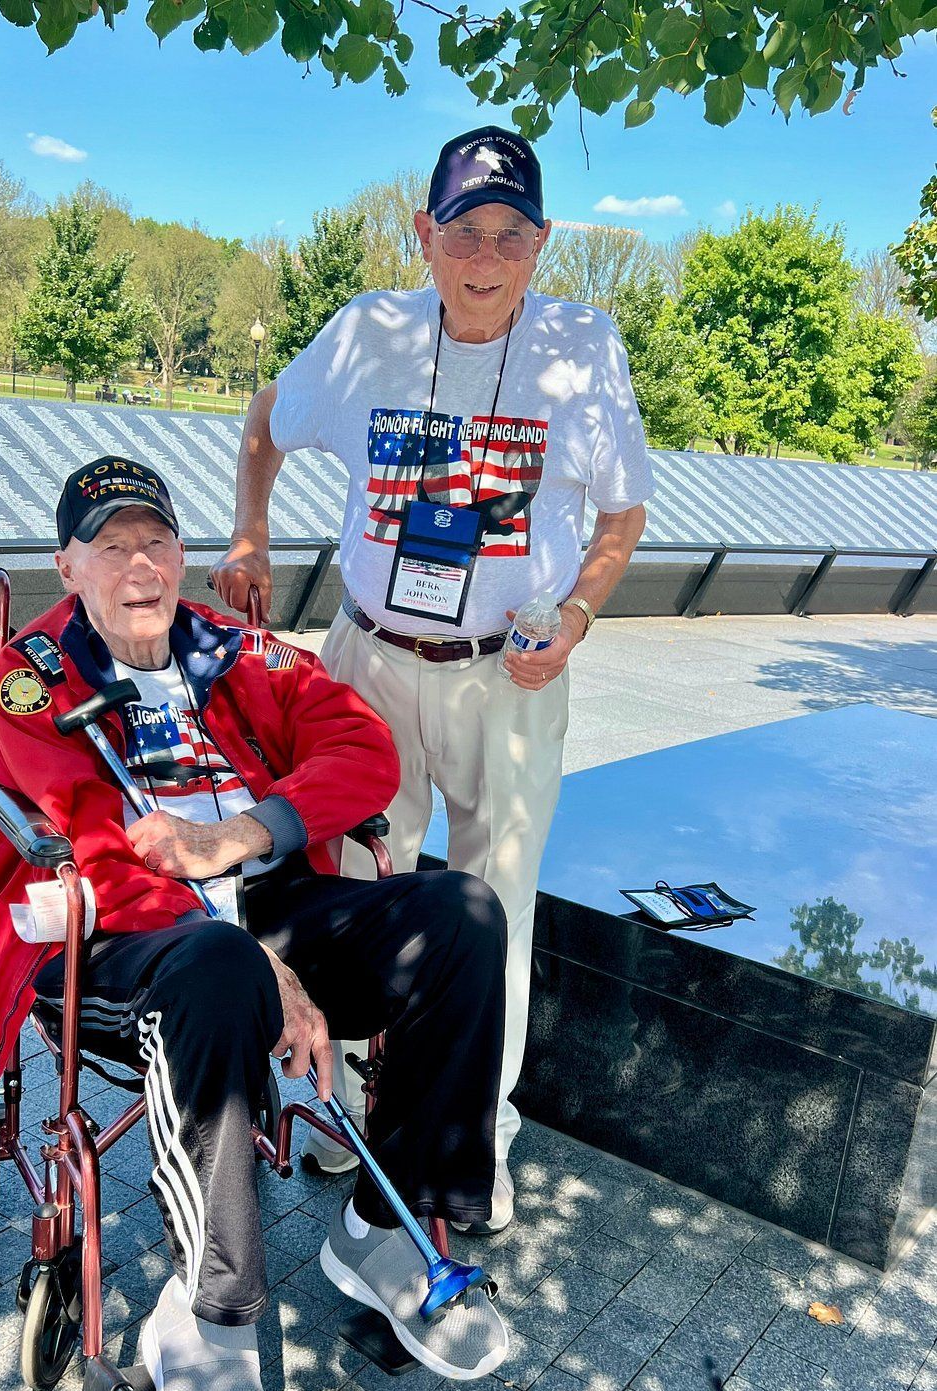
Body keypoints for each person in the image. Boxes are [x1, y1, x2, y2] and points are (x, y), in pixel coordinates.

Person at [0, 456, 509, 1391]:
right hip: (112, 937)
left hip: (262, 900)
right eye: (110, 546)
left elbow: (363, 748)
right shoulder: (31, 676)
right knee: (216, 964)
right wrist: (260, 964)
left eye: (156, 541)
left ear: (182, 554)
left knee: (459, 915)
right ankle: (206, 1321)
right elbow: (84, 837)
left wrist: (249, 831)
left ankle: (384, 1225)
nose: (139, 565)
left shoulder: (243, 653)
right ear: (66, 565)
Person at [213, 125, 653, 1233]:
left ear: (541, 245)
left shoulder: (582, 348)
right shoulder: (366, 331)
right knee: (363, 890)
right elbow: (267, 417)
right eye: (464, 229)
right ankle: (355, 1107)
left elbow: (620, 512)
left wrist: (583, 614)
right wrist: (251, 535)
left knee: (492, 910)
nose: (486, 255)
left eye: (512, 234)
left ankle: (471, 1138)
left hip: (507, 676)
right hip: (365, 662)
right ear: (424, 234)